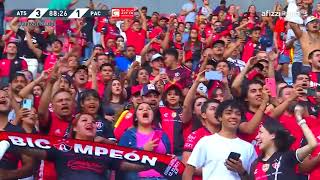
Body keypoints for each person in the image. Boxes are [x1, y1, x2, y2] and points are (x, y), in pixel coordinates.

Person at [8, 113, 148, 179]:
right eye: (84, 120)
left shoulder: (105, 151)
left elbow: (131, 165)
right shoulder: (62, 147)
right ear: (74, 128)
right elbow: (30, 150)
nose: (90, 123)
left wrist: (159, 162)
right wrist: (7, 140)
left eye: (93, 122)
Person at [183, 100, 257, 180]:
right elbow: (188, 172)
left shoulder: (249, 148)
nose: (233, 116)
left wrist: (241, 171)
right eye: (228, 113)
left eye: (238, 114)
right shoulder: (206, 142)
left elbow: (254, 178)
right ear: (219, 117)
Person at [252, 105, 317, 179]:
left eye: (260, 132)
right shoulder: (255, 165)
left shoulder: (287, 156)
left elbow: (312, 144)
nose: (257, 137)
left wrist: (300, 119)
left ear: (273, 135)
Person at [118, 103, 170, 180]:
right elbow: (119, 161)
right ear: (135, 117)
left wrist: (171, 159)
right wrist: (143, 150)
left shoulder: (163, 135)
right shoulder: (128, 135)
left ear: (153, 116)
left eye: (149, 109)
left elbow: (168, 156)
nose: (145, 110)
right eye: (140, 109)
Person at [0, 89, 36, 179]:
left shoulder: (19, 133)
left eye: (7, 96)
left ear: (12, 105)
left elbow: (29, 166)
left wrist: (8, 175)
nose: (3, 97)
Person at [182, 99, 220, 180]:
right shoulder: (195, 135)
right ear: (204, 115)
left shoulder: (229, 136)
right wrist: (216, 170)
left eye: (219, 109)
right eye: (213, 109)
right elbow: (186, 164)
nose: (217, 112)